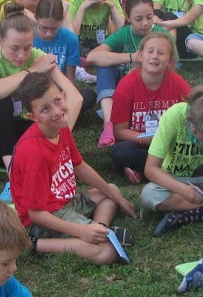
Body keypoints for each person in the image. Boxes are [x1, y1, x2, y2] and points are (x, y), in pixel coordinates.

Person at [9, 73, 135, 264]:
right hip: (41, 220)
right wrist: (80, 230)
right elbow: (35, 213)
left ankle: (99, 229)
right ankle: (35, 244)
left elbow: (79, 165)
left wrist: (118, 198)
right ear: (32, 117)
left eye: (57, 101)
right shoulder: (33, 153)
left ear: (63, 95)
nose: (56, 111)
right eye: (45, 109)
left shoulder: (60, 127)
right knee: (106, 252)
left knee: (112, 190)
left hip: (66, 202)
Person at [0, 13, 81, 176]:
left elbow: (76, 98)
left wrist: (60, 139)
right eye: (14, 48)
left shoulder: (39, 57)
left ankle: (48, 157)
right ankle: (14, 174)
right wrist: (32, 70)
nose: (22, 55)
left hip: (30, 137)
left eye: (27, 47)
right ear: (0, 41)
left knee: (62, 100)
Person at [144, 87, 203, 235]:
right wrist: (183, 190)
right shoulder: (174, 115)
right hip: (177, 179)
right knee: (149, 194)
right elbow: (150, 168)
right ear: (193, 127)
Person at [86, 0, 170, 149]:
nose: (145, 23)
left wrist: (141, 71)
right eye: (139, 19)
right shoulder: (124, 33)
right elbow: (92, 56)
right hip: (122, 91)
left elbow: (170, 67)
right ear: (129, 17)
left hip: (149, 90)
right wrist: (132, 57)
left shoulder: (161, 35)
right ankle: (109, 126)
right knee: (104, 66)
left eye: (149, 17)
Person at [108, 30, 188, 183]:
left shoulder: (177, 83)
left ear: (170, 61)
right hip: (139, 143)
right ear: (140, 55)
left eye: (161, 53)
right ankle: (162, 170)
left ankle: (142, 170)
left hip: (168, 144)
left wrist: (165, 139)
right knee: (120, 152)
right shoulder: (127, 85)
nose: (154, 56)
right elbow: (119, 131)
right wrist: (144, 140)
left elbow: (191, 115)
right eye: (150, 51)